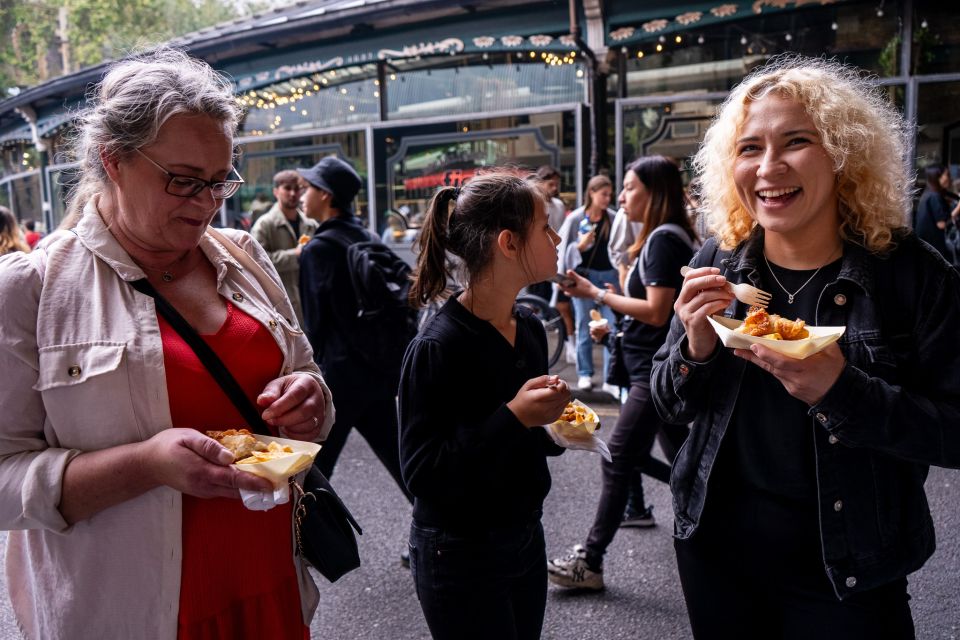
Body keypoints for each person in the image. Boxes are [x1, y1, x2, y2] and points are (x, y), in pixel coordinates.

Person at [0, 48, 335, 639]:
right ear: (114, 161)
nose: (206, 203)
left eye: (219, 182)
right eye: (183, 181)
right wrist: (145, 465)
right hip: (129, 614)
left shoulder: (243, 257)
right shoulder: (32, 290)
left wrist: (310, 398)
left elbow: (306, 372)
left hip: (269, 582)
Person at [651, 56, 960, 638]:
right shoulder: (715, 261)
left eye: (796, 141)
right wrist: (694, 348)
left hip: (849, 574)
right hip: (716, 558)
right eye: (749, 148)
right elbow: (669, 404)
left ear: (843, 154)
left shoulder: (913, 277)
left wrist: (843, 392)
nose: (769, 168)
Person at [400, 172, 570, 640]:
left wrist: (555, 425)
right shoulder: (438, 346)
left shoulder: (531, 328)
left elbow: (529, 441)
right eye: (545, 227)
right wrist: (514, 416)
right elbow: (422, 474)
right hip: (458, 550)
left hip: (524, 535)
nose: (557, 239)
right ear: (509, 243)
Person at [547, 156, 697, 590]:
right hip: (650, 369)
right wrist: (610, 306)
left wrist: (597, 294)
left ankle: (590, 562)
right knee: (687, 462)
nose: (621, 196)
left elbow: (656, 312)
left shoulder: (665, 239)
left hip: (652, 374)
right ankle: (722, 520)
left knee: (618, 460)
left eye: (630, 188)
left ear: (654, 192)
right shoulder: (658, 238)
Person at [298, 156, 414, 505]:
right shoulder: (366, 236)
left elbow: (315, 324)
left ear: (326, 195)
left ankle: (302, 546)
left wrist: (309, 374)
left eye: (309, 188)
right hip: (378, 370)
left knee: (311, 471)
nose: (303, 194)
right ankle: (442, 537)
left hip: (340, 379)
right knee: (401, 461)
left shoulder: (318, 249)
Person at [556, 175, 619, 394]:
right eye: (604, 194)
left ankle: (610, 378)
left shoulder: (612, 217)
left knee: (610, 325)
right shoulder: (575, 218)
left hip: (609, 276)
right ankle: (585, 374)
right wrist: (579, 247)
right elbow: (563, 251)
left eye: (609, 195)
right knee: (584, 325)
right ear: (591, 193)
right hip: (583, 277)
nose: (607, 199)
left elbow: (620, 248)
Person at [250, 170, 318, 327]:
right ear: (276, 191)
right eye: (287, 188)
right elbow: (257, 263)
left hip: (311, 304)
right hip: (281, 310)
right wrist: (296, 255)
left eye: (297, 188)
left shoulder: (311, 224)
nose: (293, 193)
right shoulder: (264, 225)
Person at [915, 163, 959, 261]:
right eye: (947, 175)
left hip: (926, 247)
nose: (949, 178)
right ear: (937, 177)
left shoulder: (929, 193)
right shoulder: (935, 196)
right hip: (933, 248)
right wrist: (958, 208)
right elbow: (942, 224)